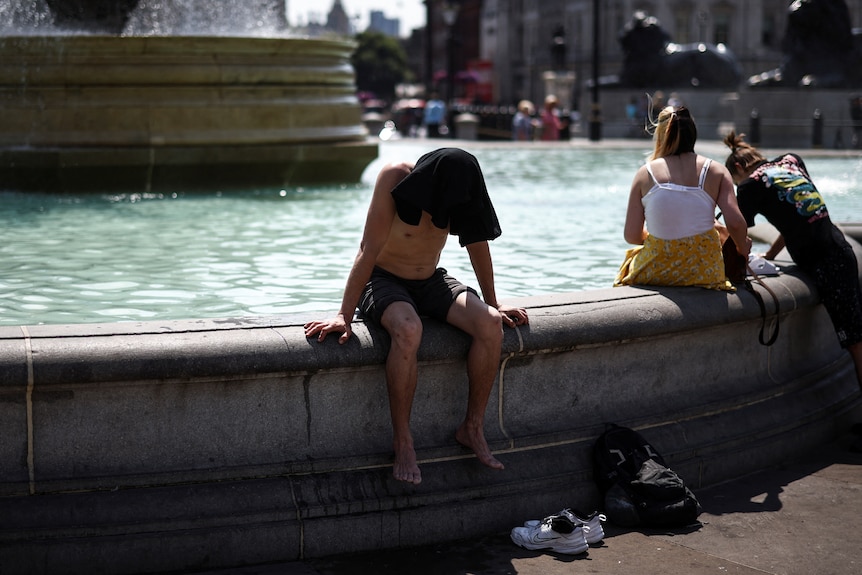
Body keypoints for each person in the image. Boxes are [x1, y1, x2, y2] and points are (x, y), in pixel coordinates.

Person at [304, 148, 529, 485]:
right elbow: (368, 248)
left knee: (490, 323)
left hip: (432, 279)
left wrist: (493, 302)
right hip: (383, 279)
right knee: (409, 330)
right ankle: (404, 442)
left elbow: (476, 243)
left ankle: (472, 427)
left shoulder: (461, 186)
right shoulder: (395, 177)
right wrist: (343, 315)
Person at [723, 131, 862, 389]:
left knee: (855, 341)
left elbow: (736, 232)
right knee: (856, 335)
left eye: (734, 179)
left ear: (739, 168)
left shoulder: (749, 185)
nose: (736, 185)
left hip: (823, 263)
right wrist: (772, 256)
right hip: (841, 249)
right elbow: (797, 216)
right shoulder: (792, 160)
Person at [615, 106, 751, 290]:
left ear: (661, 135)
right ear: (693, 133)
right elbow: (735, 223)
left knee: (629, 262)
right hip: (706, 270)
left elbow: (631, 235)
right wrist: (742, 251)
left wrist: (663, 238)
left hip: (656, 270)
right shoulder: (716, 170)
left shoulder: (645, 174)